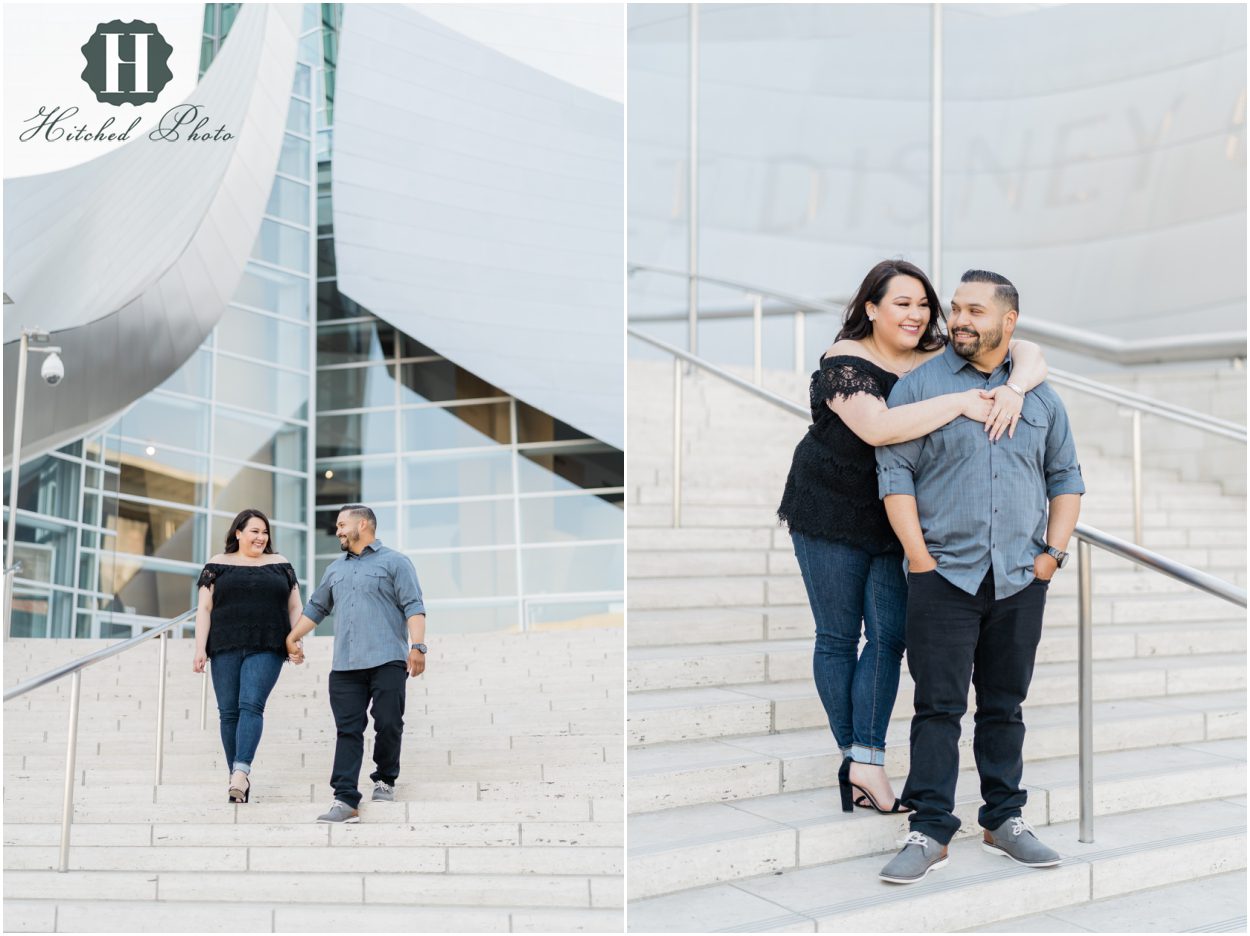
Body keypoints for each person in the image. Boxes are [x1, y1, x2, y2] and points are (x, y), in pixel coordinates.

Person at [777, 258, 1051, 816]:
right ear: (871, 308)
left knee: (889, 638)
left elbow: (1028, 352)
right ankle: (862, 762)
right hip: (829, 511)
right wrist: (959, 401)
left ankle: (865, 758)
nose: (918, 314)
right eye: (902, 303)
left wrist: (1016, 390)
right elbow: (879, 428)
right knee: (837, 637)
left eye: (924, 303)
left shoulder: (934, 356)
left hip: (896, 518)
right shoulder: (844, 361)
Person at [875, 269, 1084, 884]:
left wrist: (1052, 557)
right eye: (956, 309)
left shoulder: (1042, 398)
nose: (959, 319)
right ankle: (930, 829)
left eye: (974, 311)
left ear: (1008, 323)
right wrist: (919, 559)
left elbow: (1066, 479)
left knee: (1004, 706)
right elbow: (895, 478)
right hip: (944, 576)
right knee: (937, 706)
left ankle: (1003, 820)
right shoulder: (919, 387)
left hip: (1021, 578)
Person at [285, 504, 427, 823]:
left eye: (340, 525)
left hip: (387, 659)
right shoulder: (335, 569)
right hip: (345, 667)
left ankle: (385, 778)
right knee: (348, 730)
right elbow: (317, 607)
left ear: (362, 525)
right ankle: (345, 799)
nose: (336, 531)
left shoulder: (396, 562)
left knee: (388, 722)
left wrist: (418, 646)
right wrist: (292, 637)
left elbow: (414, 606)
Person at [193, 508, 303, 803]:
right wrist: (199, 648)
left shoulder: (280, 564)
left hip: (267, 643)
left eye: (265, 532)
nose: (261, 537)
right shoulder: (217, 564)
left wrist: (295, 640)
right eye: (254, 531)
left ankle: (241, 771)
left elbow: (295, 606)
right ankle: (237, 778)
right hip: (225, 644)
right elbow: (204, 608)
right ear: (238, 533)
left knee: (251, 704)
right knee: (228, 712)